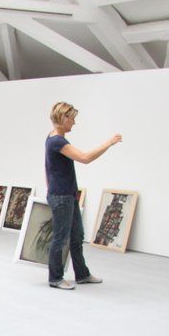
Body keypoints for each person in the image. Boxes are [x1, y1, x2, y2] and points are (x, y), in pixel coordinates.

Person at [45, 101, 122, 290]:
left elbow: (47, 167)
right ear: (63, 118)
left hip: (67, 195)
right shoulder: (57, 141)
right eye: (72, 118)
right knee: (60, 238)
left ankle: (82, 274)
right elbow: (85, 158)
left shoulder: (53, 137)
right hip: (61, 196)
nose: (74, 122)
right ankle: (55, 278)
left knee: (77, 236)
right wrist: (109, 143)